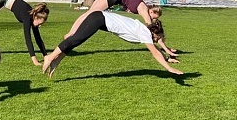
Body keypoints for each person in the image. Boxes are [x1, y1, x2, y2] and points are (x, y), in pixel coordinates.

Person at [42, 11, 183, 78]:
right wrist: (168, 68)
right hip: (99, 19)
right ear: (155, 34)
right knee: (75, 39)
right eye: (159, 39)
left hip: (101, 20)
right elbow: (154, 52)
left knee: (77, 40)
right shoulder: (145, 33)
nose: (158, 41)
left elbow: (156, 50)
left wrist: (167, 57)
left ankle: (57, 60)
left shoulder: (144, 31)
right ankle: (50, 57)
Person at [65, 0, 157, 39]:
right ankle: (71, 34)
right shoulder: (144, 9)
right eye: (154, 16)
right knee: (90, 14)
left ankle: (71, 33)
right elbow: (149, 25)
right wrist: (156, 36)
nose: (153, 18)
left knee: (90, 13)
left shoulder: (141, 6)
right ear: (151, 11)